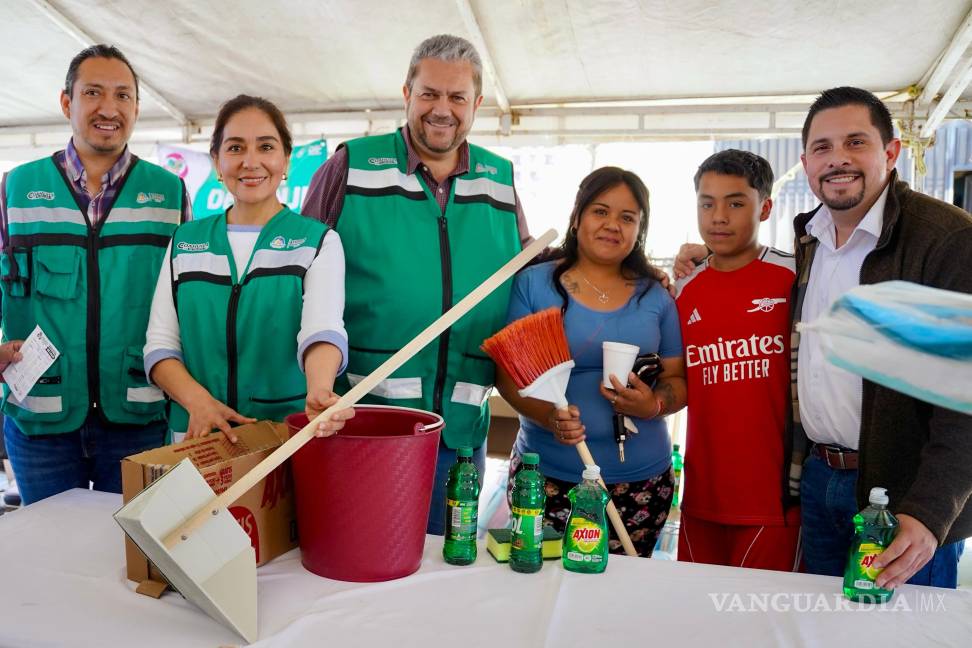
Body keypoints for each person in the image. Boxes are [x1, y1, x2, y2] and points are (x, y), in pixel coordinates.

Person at [675, 87, 972, 589]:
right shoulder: (810, 243)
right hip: (816, 481)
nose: (838, 159)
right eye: (822, 147)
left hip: (900, 499)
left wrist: (929, 512)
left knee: (899, 636)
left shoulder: (944, 238)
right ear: (806, 162)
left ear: (891, 151)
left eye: (855, 142)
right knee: (812, 628)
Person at [301, 34, 531, 534]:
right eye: (429, 94)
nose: (441, 109)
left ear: (477, 104)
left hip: (463, 434)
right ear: (406, 92)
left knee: (448, 575)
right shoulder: (352, 166)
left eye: (456, 97)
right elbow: (298, 273)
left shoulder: (500, 180)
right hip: (367, 426)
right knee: (370, 564)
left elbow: (531, 279)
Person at [0, 45, 189, 505]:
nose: (109, 108)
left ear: (137, 108)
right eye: (94, 93)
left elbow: (190, 298)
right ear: (67, 103)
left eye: (123, 96)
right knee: (49, 557)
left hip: (139, 418)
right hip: (40, 421)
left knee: (128, 562)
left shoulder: (169, 194)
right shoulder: (16, 188)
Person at [496, 167, 686, 557]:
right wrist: (550, 418)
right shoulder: (534, 284)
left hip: (641, 483)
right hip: (547, 476)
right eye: (601, 211)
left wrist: (654, 404)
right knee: (538, 586)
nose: (612, 225)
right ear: (578, 216)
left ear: (640, 229)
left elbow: (678, 379)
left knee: (618, 601)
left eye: (627, 217)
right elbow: (507, 377)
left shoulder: (657, 297)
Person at [145, 95, 353, 441]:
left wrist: (319, 389)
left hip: (281, 438)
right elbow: (160, 345)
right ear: (217, 162)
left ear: (286, 159)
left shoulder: (318, 242)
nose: (251, 162)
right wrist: (199, 403)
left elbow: (322, 330)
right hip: (196, 437)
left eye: (266, 147)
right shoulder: (184, 241)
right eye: (236, 148)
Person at [674, 150, 800, 571]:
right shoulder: (683, 289)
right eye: (707, 204)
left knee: (761, 627)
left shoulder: (796, 275)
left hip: (773, 501)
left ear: (765, 207)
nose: (719, 217)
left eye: (735, 203)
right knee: (698, 624)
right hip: (701, 496)